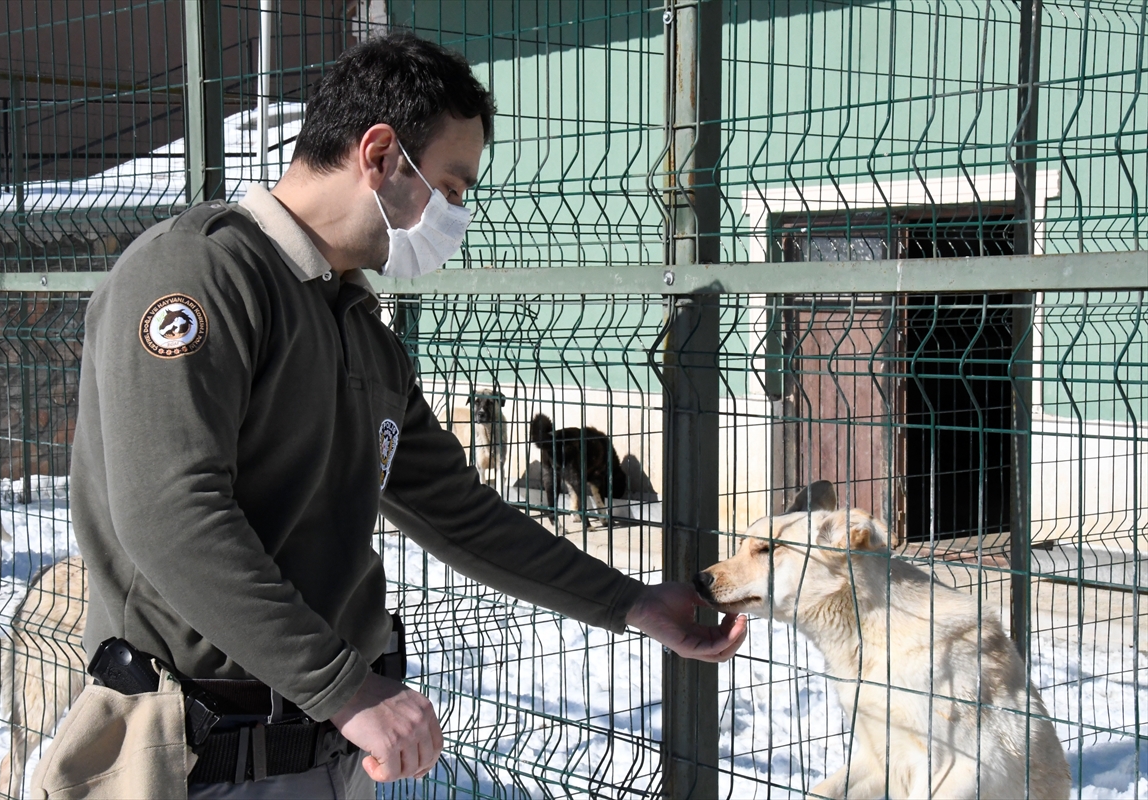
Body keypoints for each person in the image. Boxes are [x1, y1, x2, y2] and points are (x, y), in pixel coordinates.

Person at [67, 32, 747, 797]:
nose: (457, 215)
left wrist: (629, 602)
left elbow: (461, 513)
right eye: (453, 188)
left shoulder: (359, 328)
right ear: (382, 155)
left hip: (330, 750)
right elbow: (169, 514)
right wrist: (345, 687)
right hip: (202, 756)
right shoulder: (201, 271)